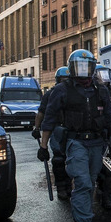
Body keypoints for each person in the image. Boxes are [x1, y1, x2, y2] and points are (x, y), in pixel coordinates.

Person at [38, 49, 111, 222]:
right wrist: (43, 145)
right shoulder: (61, 90)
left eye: (87, 66)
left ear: (92, 68)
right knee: (82, 182)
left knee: (90, 182)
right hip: (76, 142)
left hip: (97, 143)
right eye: (79, 67)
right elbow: (49, 118)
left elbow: (110, 119)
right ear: (72, 68)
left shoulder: (101, 90)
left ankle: (86, 219)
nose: (83, 71)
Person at [33, 66, 73, 200]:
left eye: (67, 79)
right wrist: (37, 128)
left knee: (73, 159)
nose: (65, 81)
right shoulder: (51, 94)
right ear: (57, 79)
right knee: (59, 159)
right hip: (57, 130)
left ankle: (70, 185)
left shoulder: (75, 92)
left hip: (73, 130)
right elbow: (42, 113)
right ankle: (62, 187)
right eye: (63, 79)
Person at [94, 65, 111, 210]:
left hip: (109, 133)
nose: (103, 77)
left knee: (110, 167)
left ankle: (107, 197)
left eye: (105, 74)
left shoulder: (110, 91)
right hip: (95, 134)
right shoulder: (92, 91)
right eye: (100, 74)